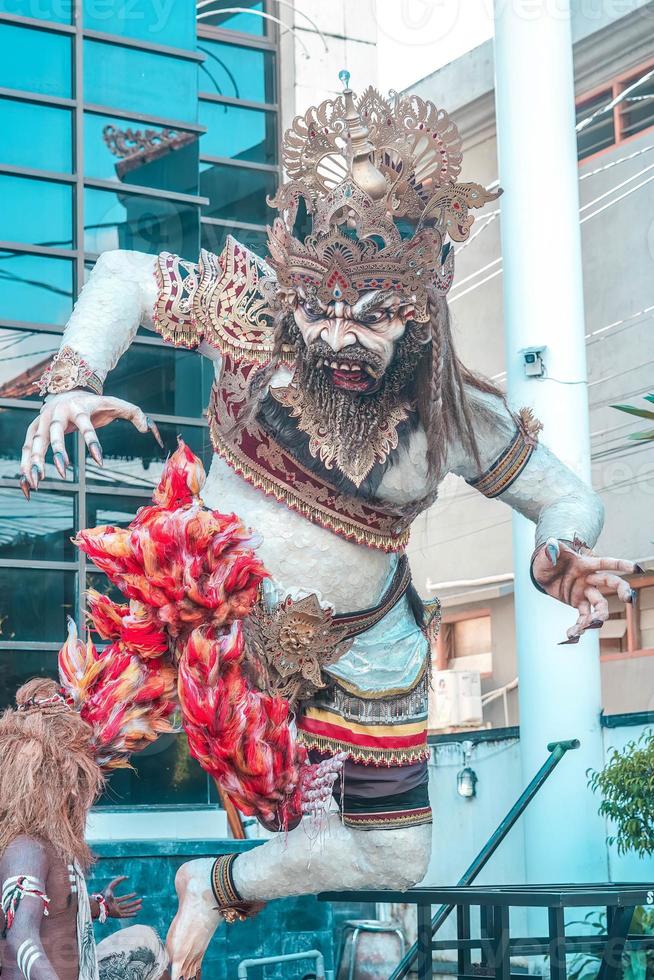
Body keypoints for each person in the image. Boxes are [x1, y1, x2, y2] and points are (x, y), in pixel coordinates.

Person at [18, 78, 638, 980]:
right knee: (56, 739)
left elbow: (563, 496)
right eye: (322, 307)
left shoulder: (451, 418)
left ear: (422, 308)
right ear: (294, 287)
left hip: (364, 647)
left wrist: (561, 554)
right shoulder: (255, 320)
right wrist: (76, 373)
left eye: (376, 316)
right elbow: (125, 277)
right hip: (205, 611)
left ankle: (216, 884)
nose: (342, 337)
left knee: (396, 855)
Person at [0, 679, 170, 980]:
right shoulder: (26, 848)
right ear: (40, 785)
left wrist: (99, 906)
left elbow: (56, 910)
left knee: (148, 948)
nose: (79, 794)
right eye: (73, 781)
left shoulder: (55, 845)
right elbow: (21, 935)